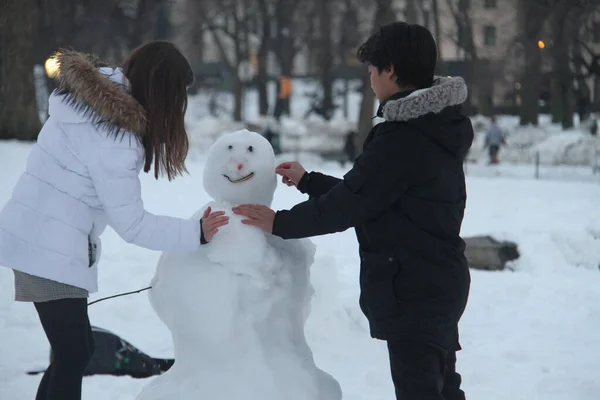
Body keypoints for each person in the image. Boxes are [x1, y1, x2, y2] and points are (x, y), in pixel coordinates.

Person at [233, 22, 473, 400]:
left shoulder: (403, 139)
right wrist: (309, 181)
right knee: (442, 386)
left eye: (372, 69)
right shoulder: (435, 128)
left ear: (390, 70)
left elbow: (348, 206)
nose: (370, 79)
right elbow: (370, 196)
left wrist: (280, 222)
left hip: (415, 289)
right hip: (437, 281)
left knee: (423, 390)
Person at [0, 41, 228, 400]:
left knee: (74, 352)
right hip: (49, 250)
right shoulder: (115, 138)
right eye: (177, 96)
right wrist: (195, 232)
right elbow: (133, 225)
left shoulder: (86, 104)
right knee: (73, 354)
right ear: (162, 90)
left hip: (38, 238)